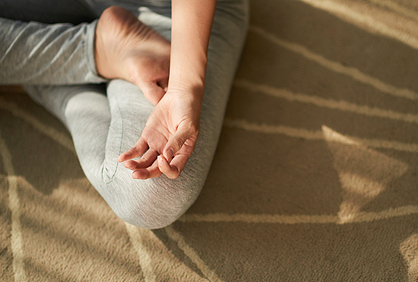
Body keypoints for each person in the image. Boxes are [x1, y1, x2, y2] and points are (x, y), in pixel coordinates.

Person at [0, 0, 249, 228]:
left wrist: (183, 89)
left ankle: (55, 71)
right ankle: (94, 52)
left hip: (173, 14)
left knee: (152, 194)